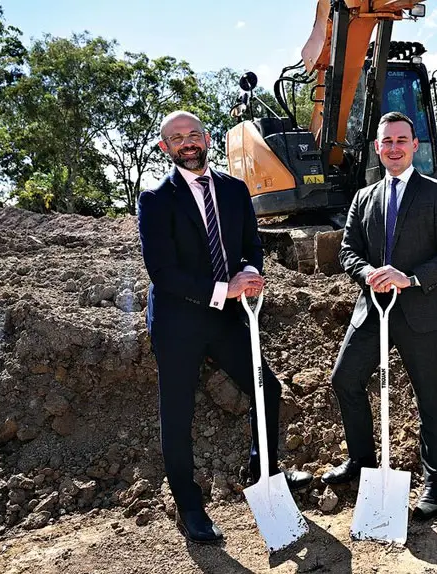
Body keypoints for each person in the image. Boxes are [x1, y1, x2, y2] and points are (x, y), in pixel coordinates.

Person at [137, 110, 311, 544]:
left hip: (228, 316)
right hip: (178, 320)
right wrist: (224, 288)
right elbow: (162, 271)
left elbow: (251, 245)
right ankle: (189, 505)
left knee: (266, 388)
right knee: (178, 411)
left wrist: (250, 272)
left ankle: (264, 472)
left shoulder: (235, 191)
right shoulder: (156, 200)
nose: (187, 142)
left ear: (207, 139)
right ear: (165, 148)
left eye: (193, 134)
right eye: (177, 138)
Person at [321, 111, 437, 520]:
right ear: (377, 148)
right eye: (386, 141)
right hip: (372, 311)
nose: (393, 147)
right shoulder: (363, 198)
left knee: (429, 399)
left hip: (423, 313)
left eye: (401, 140)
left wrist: (412, 278)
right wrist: (368, 272)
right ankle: (362, 463)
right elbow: (348, 251)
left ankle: (433, 485)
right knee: (345, 380)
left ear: (414, 145)